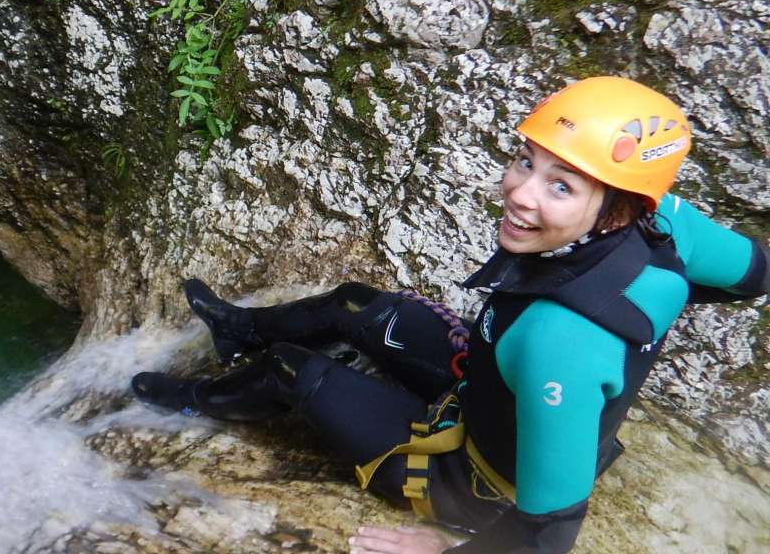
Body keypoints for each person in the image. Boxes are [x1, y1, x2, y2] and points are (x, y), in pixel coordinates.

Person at [130, 77, 770, 553]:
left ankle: (192, 400)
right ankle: (239, 330)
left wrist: (449, 546)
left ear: (618, 212)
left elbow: (548, 533)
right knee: (357, 305)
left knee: (293, 372)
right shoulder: (668, 224)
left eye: (561, 186)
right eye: (527, 161)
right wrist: (655, 301)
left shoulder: (558, 344)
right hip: (487, 387)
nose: (519, 192)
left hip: (473, 478)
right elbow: (755, 276)